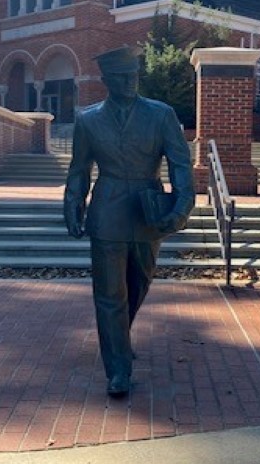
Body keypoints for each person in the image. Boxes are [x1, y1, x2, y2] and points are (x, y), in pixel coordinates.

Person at [64, 46, 195, 397]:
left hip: (147, 210)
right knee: (109, 294)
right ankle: (118, 369)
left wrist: (180, 208)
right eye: (121, 77)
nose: (129, 83)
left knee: (139, 283)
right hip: (106, 212)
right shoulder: (88, 119)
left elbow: (180, 164)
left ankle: (118, 334)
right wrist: (72, 203)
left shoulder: (161, 114)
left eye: (134, 76)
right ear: (106, 80)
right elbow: (79, 169)